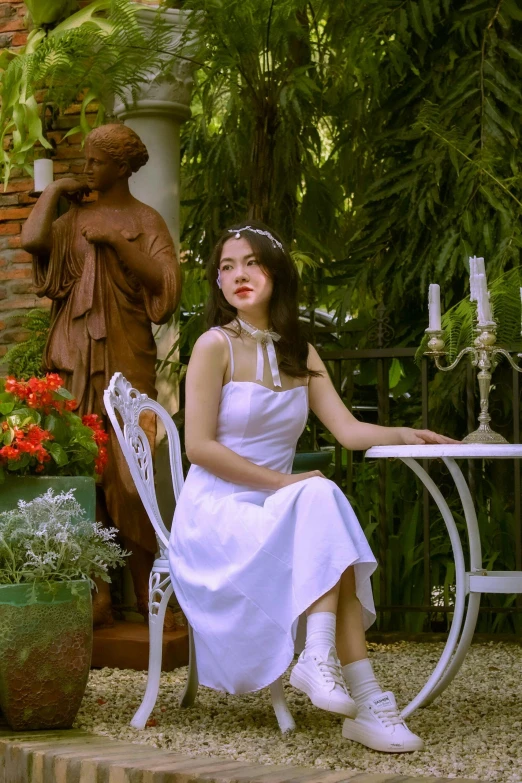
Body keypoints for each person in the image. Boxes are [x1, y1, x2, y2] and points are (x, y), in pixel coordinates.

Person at [168, 221, 457, 753]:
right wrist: (285, 481)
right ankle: (357, 691)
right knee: (318, 497)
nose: (238, 275)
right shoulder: (214, 347)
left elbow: (348, 431)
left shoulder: (300, 351)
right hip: (217, 513)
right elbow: (199, 449)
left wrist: (409, 433)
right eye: (226, 268)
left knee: (323, 517)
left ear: (276, 273)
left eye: (250, 262)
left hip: (280, 505)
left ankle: (338, 676)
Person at [21, 124, 181, 627]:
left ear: (120, 166)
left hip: (126, 355)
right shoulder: (71, 220)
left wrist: (118, 241)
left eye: (95, 161)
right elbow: (32, 240)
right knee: (78, 471)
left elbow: (167, 286)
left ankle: (148, 589)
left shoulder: (144, 219)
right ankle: (97, 594)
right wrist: (54, 191)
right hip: (72, 352)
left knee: (130, 478)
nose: (86, 169)